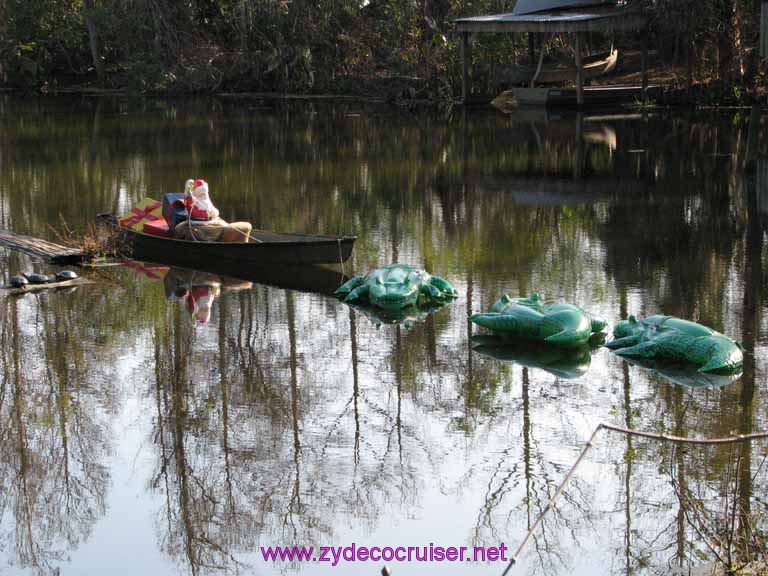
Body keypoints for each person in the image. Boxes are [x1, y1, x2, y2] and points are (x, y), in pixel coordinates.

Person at [173, 179, 253, 242]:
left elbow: (213, 210)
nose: (204, 194)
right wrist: (188, 193)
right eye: (202, 192)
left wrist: (214, 213)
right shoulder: (194, 201)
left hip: (212, 221)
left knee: (239, 227)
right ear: (196, 192)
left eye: (205, 192)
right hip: (198, 223)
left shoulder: (206, 200)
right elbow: (189, 204)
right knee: (190, 233)